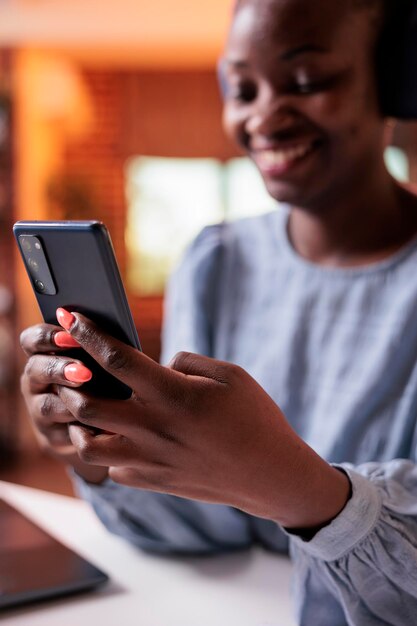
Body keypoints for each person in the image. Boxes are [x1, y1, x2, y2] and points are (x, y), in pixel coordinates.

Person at [19, 0, 417, 624]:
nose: (264, 115)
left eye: (307, 82)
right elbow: (208, 521)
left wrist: (302, 490)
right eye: (241, 88)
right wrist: (100, 454)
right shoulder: (217, 260)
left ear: (396, 80)